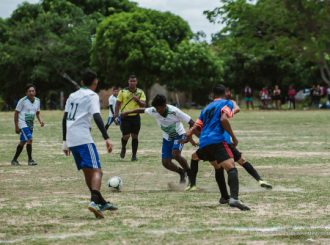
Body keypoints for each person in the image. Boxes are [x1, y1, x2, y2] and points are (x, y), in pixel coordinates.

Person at [186, 98, 272, 201]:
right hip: (223, 141)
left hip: (212, 143)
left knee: (218, 167)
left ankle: (220, 194)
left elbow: (194, 128)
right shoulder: (225, 105)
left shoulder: (207, 110)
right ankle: (259, 180)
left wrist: (191, 139)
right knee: (241, 161)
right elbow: (234, 111)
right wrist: (234, 104)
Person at [184, 84, 250, 211]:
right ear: (225, 93)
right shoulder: (227, 103)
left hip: (204, 142)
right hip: (217, 141)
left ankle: (224, 196)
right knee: (231, 168)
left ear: (213, 95)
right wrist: (233, 137)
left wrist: (189, 135)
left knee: (217, 166)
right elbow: (224, 119)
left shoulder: (206, 108)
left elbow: (196, 126)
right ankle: (234, 199)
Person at [62, 69, 117, 219]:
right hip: (83, 138)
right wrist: (107, 137)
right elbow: (97, 116)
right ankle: (94, 201)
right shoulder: (92, 96)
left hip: (72, 139)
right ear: (95, 83)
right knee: (98, 171)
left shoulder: (72, 95)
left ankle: (101, 202)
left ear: (81, 82)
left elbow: (64, 118)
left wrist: (65, 142)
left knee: (88, 171)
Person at [121, 94, 195, 183]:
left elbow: (192, 122)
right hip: (167, 138)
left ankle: (189, 172)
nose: (157, 111)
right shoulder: (154, 110)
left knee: (175, 154)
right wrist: (127, 112)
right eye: (156, 108)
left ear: (165, 105)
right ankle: (181, 172)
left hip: (179, 134)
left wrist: (188, 137)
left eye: (159, 108)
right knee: (166, 163)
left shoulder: (174, 111)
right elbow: (141, 110)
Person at [114, 75, 146, 161]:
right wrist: (116, 115)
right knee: (126, 136)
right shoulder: (122, 91)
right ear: (128, 82)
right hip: (125, 117)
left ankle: (134, 156)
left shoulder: (140, 92)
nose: (132, 83)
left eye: (134, 81)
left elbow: (143, 105)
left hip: (136, 117)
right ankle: (123, 147)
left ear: (136, 82)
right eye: (131, 81)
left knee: (135, 136)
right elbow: (117, 104)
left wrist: (137, 100)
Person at [11, 84, 44, 166]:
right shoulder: (22, 101)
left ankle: (14, 160)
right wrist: (16, 126)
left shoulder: (37, 100)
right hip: (22, 123)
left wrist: (40, 120)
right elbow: (16, 113)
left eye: (33, 91)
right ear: (26, 93)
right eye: (29, 91)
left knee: (23, 142)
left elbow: (37, 112)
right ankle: (30, 160)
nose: (31, 92)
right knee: (30, 139)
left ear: (35, 92)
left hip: (30, 124)